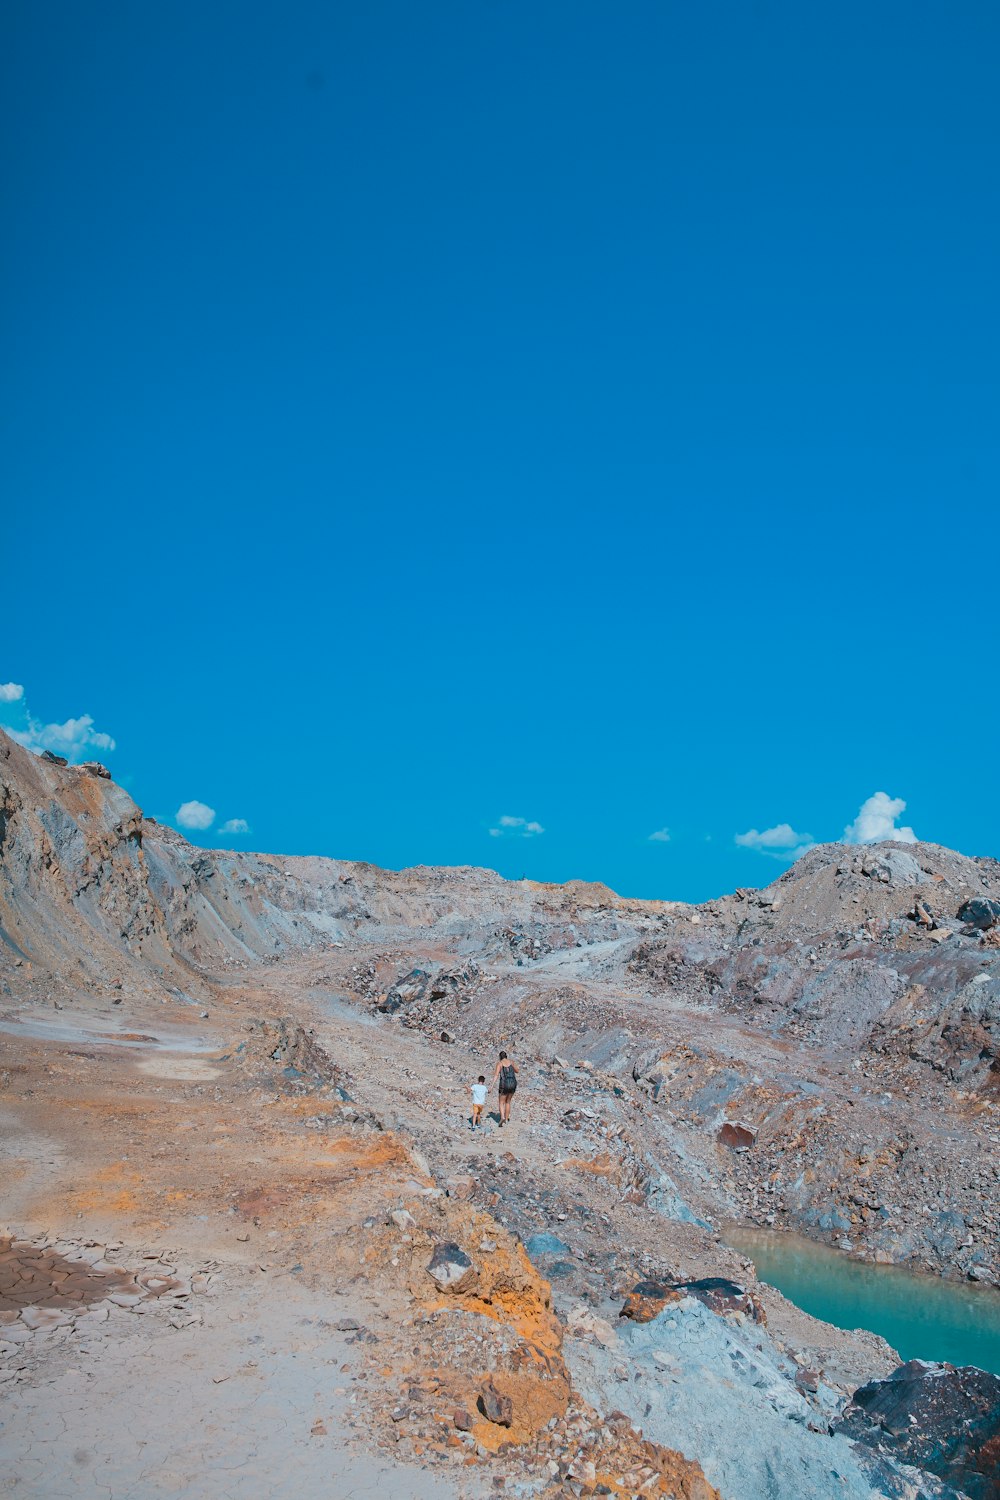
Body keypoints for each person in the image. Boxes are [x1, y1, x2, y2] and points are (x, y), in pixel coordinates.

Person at [492, 1049, 519, 1126]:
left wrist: (492, 1086)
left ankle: (502, 1117)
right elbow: (517, 1070)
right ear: (506, 1056)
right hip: (513, 1083)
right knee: (508, 1102)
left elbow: (496, 1075)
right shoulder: (511, 1062)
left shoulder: (500, 1064)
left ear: (500, 1057)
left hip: (504, 1084)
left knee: (501, 1102)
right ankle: (506, 1119)